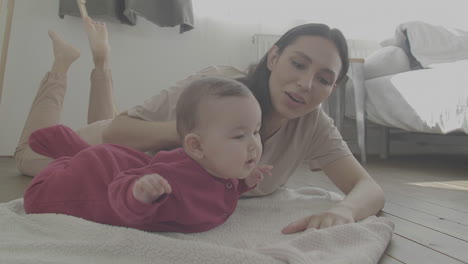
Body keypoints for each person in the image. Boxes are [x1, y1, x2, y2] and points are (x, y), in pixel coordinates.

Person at [15, 19, 385, 233]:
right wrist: (204, 138)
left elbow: (367, 188)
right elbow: (118, 132)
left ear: (333, 88)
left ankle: (101, 63)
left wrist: (345, 211)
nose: (306, 84)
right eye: (299, 64)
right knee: (29, 154)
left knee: (102, 125)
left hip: (127, 155)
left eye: (323, 78)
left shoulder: (314, 125)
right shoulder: (218, 90)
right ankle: (61, 66)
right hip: (106, 158)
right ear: (273, 57)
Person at [24, 76, 271, 233]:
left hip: (124, 161)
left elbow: (218, 191)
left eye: (256, 132)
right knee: (36, 200)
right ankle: (67, 156)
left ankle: (74, 149)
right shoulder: (171, 174)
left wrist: (244, 183)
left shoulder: (218, 166)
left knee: (98, 156)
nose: (253, 144)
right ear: (196, 146)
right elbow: (122, 188)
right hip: (97, 177)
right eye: (240, 136)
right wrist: (138, 195)